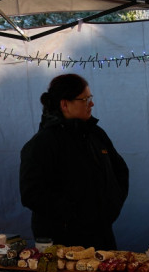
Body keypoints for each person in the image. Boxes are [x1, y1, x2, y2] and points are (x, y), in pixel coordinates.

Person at [19, 74, 129, 250]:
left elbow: (120, 171)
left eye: (90, 98)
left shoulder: (96, 135)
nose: (91, 104)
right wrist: (73, 215)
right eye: (85, 99)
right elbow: (31, 193)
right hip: (62, 242)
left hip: (102, 236)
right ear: (65, 104)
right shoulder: (43, 143)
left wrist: (109, 209)